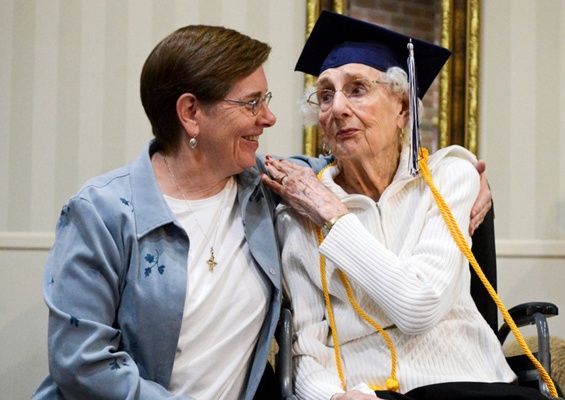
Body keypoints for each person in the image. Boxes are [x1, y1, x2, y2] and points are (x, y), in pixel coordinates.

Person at [31, 21, 492, 400]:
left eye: (266, 101)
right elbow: (82, 364)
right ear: (191, 114)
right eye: (252, 103)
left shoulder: (267, 187)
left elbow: (351, 167)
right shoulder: (103, 213)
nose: (269, 119)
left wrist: (467, 171)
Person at [262, 11, 551, 400]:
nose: (338, 108)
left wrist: (334, 217)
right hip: (370, 392)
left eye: (357, 89)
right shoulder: (298, 213)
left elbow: (419, 308)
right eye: (326, 95)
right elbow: (307, 348)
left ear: (402, 107)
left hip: (470, 386)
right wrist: (333, 397)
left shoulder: (449, 177)